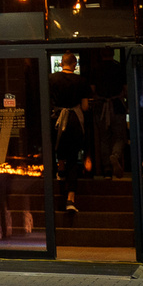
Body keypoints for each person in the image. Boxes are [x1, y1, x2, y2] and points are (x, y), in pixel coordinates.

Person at [51, 56, 93, 216]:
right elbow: (85, 106)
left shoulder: (51, 78)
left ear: (61, 63)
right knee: (73, 158)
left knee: (59, 148)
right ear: (75, 64)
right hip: (74, 120)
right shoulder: (81, 81)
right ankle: (70, 199)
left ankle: (61, 170)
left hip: (57, 119)